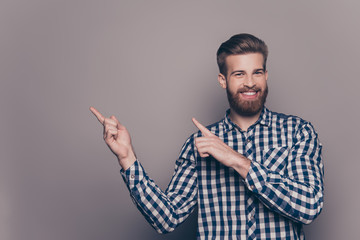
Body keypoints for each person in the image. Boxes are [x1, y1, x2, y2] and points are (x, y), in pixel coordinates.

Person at [90, 33, 324, 240]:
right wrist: (127, 158)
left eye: (257, 73)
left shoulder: (297, 132)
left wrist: (236, 160)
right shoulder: (198, 145)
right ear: (223, 80)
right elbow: (166, 219)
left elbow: (309, 205)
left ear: (266, 76)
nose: (250, 82)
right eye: (239, 74)